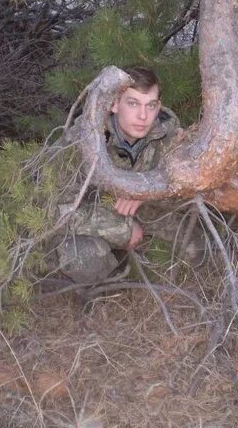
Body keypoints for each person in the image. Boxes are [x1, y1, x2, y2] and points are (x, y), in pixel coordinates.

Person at [52, 66, 184, 284]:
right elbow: (54, 210)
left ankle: (134, 262)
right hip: (92, 218)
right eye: (132, 104)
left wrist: (146, 190)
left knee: (196, 250)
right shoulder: (82, 139)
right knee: (83, 259)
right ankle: (109, 283)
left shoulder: (167, 129)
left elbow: (186, 175)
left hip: (143, 210)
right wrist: (123, 230)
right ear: (114, 104)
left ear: (158, 106)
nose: (143, 116)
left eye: (150, 106)